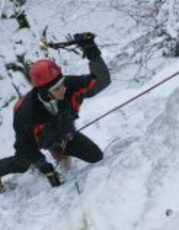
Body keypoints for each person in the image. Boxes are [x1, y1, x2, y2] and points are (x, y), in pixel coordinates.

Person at [0, 32, 111, 192]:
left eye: (63, 83)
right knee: (22, 164)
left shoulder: (69, 86)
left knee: (95, 156)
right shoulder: (25, 112)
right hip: (36, 141)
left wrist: (91, 50)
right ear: (45, 92)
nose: (64, 89)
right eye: (57, 88)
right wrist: (47, 169)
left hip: (63, 135)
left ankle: (57, 148)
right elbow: (25, 146)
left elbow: (102, 81)